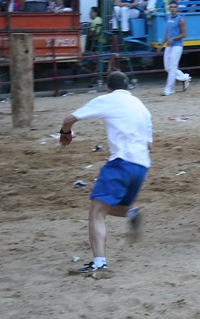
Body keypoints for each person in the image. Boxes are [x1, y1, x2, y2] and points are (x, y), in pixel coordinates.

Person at [59, 71, 153, 273]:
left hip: (121, 163)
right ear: (128, 87)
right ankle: (131, 213)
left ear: (108, 87)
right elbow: (150, 144)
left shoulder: (108, 99)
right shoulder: (141, 106)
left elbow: (69, 118)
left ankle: (99, 263)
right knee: (111, 207)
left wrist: (65, 133)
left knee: (96, 212)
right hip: (141, 166)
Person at [157, 0, 191, 96]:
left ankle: (169, 89)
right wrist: (161, 45)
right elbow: (167, 33)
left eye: (174, 7)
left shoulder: (180, 20)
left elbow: (184, 34)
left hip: (177, 46)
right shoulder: (169, 18)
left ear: (177, 9)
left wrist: (174, 38)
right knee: (167, 68)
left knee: (172, 68)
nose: (172, 9)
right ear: (169, 8)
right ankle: (184, 77)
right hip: (169, 45)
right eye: (171, 7)